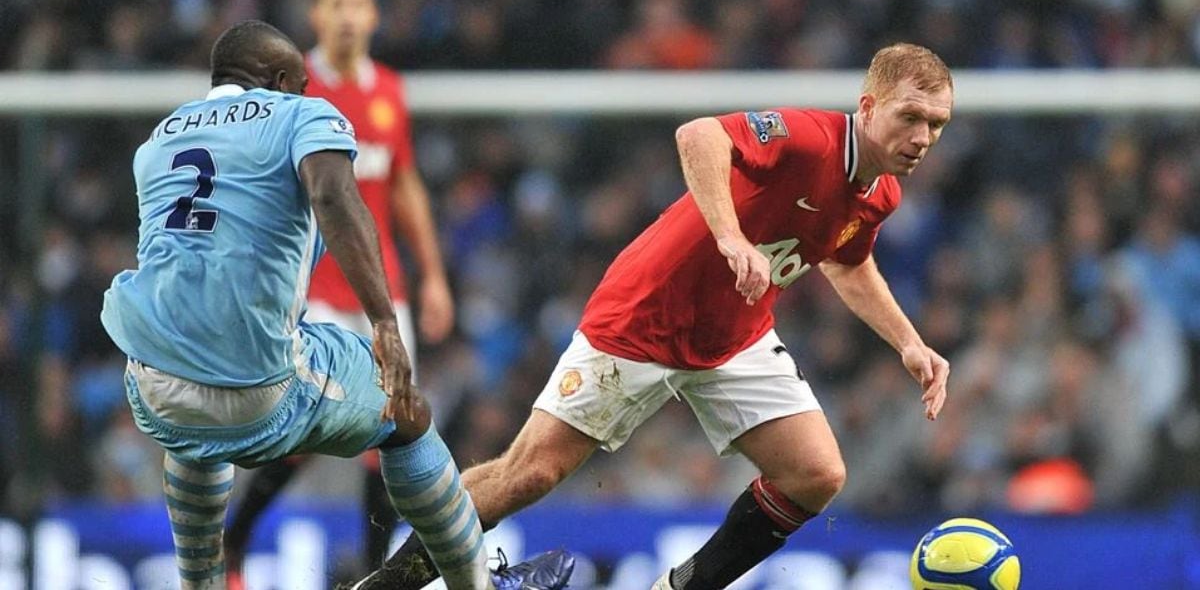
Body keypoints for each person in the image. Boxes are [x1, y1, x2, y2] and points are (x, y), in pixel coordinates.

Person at [366, 42, 954, 590]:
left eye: (936, 124)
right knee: (529, 475)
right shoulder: (810, 139)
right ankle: (381, 586)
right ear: (869, 106)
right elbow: (699, 135)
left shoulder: (881, 194)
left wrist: (908, 342)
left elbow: (848, 264)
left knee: (816, 474)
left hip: (734, 337)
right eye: (911, 116)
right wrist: (730, 237)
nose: (923, 136)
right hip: (644, 318)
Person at [99, 20, 573, 590]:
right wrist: (384, 322)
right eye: (299, 85)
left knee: (194, 430)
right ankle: (478, 584)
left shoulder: (158, 141)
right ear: (279, 80)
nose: (306, 94)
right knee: (408, 415)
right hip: (256, 387)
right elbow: (330, 193)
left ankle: (201, 582)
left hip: (150, 382)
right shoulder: (301, 113)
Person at [222, 0, 455, 582]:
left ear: (373, 17)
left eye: (358, 5)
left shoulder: (390, 93)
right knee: (298, 431)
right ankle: (236, 540)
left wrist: (432, 277)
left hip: (384, 292)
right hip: (315, 290)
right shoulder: (289, 88)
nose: (348, 16)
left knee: (395, 430)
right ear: (317, 16)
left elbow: (403, 184)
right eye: (336, 4)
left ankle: (373, 573)